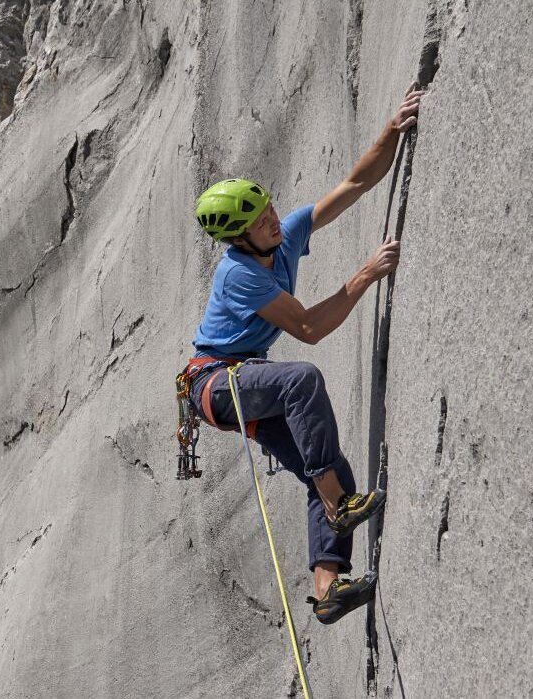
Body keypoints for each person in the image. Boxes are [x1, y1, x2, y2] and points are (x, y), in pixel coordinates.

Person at [183, 87, 425, 624]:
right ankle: (339, 507)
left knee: (329, 468)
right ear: (239, 237)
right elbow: (310, 328)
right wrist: (365, 273)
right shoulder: (240, 275)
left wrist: (392, 128)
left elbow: (355, 184)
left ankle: (327, 589)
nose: (272, 217)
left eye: (266, 205)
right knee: (302, 382)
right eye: (257, 217)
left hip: (245, 379)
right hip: (215, 384)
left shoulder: (284, 235)